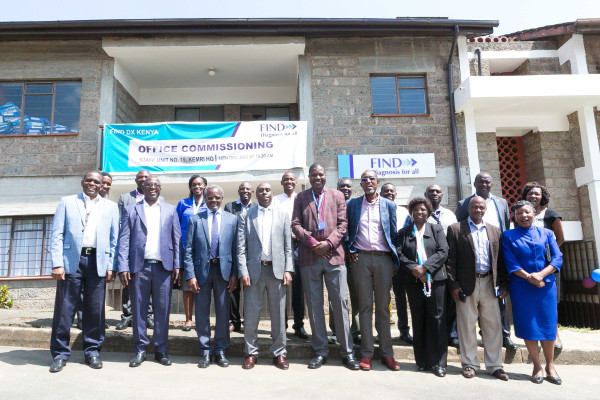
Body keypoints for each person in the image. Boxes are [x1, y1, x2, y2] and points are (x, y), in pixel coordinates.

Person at [49, 170, 119, 372]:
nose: (92, 184)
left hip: (97, 261)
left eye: (96, 181)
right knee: (65, 309)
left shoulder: (111, 207)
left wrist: (111, 265)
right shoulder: (67, 202)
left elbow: (114, 240)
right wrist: (57, 263)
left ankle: (92, 351)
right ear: (82, 183)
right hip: (72, 260)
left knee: (95, 310)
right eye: (88, 180)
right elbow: (57, 234)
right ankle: (60, 354)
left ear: (102, 185)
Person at [291, 163, 359, 370]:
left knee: (340, 303)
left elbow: (343, 224)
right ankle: (320, 351)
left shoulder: (337, 196)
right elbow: (295, 224)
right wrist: (314, 244)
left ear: (325, 176)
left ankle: (348, 352)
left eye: (321, 174)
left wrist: (328, 244)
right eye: (314, 175)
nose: (317, 177)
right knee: (314, 306)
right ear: (309, 176)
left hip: (334, 256)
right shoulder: (301, 197)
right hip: (309, 257)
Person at [117, 176, 180, 367]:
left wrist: (177, 265)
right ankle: (140, 349)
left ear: (160, 189)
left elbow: (177, 239)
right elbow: (124, 240)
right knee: (138, 310)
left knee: (162, 310)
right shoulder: (131, 209)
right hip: (139, 267)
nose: (152, 187)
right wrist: (123, 266)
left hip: (163, 268)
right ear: (142, 187)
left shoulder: (170, 210)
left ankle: (161, 350)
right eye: (149, 185)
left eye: (156, 185)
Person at [446, 196, 509, 381]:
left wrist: (503, 284)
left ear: (485, 209)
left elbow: (500, 260)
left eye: (481, 207)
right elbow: (450, 260)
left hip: (489, 282)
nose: (478, 210)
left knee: (493, 325)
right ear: (468, 208)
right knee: (466, 325)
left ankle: (495, 365)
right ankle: (470, 364)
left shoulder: (495, 231)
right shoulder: (456, 229)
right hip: (466, 283)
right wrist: (454, 284)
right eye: (475, 207)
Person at [502, 200, 563, 385]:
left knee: (548, 324)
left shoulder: (546, 233)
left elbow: (557, 257)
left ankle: (550, 365)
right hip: (522, 286)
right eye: (519, 213)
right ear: (514, 216)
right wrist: (530, 277)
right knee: (529, 325)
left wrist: (541, 275)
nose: (524, 216)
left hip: (545, 286)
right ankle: (537, 366)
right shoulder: (508, 236)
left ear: (534, 213)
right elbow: (510, 262)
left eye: (527, 212)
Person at [345, 170, 400, 371]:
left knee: (384, 308)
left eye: (371, 179)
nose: (368, 182)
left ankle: (387, 353)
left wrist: (394, 260)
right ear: (360, 184)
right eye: (364, 179)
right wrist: (349, 249)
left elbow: (393, 234)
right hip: (361, 259)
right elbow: (346, 230)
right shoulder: (353, 205)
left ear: (377, 182)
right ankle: (366, 353)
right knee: (365, 306)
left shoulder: (388, 205)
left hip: (383, 259)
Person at [456, 172, 517, 350]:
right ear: (474, 183)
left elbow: (505, 226)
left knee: (499, 297)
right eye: (480, 181)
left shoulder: (502, 202)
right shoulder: (464, 203)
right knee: (474, 304)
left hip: (497, 252)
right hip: (475, 254)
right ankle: (479, 335)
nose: (484, 184)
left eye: (487, 182)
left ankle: (505, 334)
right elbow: (461, 229)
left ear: (492, 184)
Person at [238, 183, 293, 370]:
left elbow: (288, 247)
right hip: (254, 271)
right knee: (251, 314)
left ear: (273, 193)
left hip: (277, 271)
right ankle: (251, 353)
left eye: (267, 190)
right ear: (256, 194)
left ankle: (279, 353)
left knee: (278, 314)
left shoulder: (282, 214)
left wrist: (288, 270)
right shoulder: (246, 215)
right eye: (261, 190)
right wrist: (243, 271)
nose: (264, 193)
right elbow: (241, 248)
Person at [184, 185, 239, 368]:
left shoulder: (232, 219)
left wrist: (234, 274)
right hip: (202, 272)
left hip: (224, 272)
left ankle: (221, 350)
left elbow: (236, 249)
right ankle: (205, 350)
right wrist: (190, 275)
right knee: (201, 313)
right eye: (210, 197)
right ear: (205, 199)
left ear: (222, 199)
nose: (213, 200)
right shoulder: (195, 219)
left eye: (217, 197)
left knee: (223, 312)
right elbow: (189, 250)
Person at [395, 196, 449, 377]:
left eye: (423, 209)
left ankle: (439, 362)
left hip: (436, 280)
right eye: (416, 209)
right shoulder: (403, 232)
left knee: (437, 319)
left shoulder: (436, 229)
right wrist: (415, 269)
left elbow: (443, 251)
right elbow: (400, 254)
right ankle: (422, 361)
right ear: (411, 212)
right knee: (418, 319)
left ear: (428, 212)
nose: (419, 212)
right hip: (413, 281)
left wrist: (425, 267)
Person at [521, 181, 565, 349]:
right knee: (533, 301)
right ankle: (537, 335)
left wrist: (548, 256)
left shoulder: (551, 215)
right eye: (530, 193)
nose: (533, 196)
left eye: (536, 194)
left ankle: (554, 334)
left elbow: (560, 238)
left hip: (548, 266)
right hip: (529, 266)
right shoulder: (523, 214)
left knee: (550, 301)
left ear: (542, 197)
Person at [116, 169, 161, 331]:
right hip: (132, 250)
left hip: (151, 250)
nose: (143, 179)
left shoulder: (160, 199)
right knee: (129, 285)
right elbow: (121, 224)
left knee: (149, 287)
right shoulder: (125, 198)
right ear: (136, 180)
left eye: (146, 177)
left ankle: (148, 316)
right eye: (140, 177)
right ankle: (127, 316)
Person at [76, 171, 114, 330]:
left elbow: (113, 236)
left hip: (99, 256)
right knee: (80, 291)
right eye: (103, 182)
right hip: (79, 254)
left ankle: (97, 321)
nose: (105, 186)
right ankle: (81, 319)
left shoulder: (110, 205)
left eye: (107, 184)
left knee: (97, 294)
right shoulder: (80, 201)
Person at [273, 171, 309, 340]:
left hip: (298, 246)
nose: (289, 181)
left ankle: (299, 325)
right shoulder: (275, 200)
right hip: (280, 247)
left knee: (298, 288)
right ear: (281, 182)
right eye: (286, 179)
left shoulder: (302, 198)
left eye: (292, 179)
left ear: (296, 182)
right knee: (280, 287)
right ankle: (282, 325)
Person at [424, 184, 459, 348]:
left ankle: (452, 334)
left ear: (442, 195)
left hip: (449, 263)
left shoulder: (450, 215)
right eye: (431, 191)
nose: (434, 193)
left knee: (451, 300)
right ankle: (434, 333)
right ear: (425, 194)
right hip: (429, 263)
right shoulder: (421, 214)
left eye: (438, 191)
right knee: (433, 301)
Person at [328, 177, 360, 345]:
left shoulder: (356, 206)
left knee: (357, 295)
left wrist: (352, 249)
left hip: (354, 257)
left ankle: (356, 331)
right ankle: (336, 331)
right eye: (342, 186)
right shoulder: (331, 206)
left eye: (348, 186)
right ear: (337, 188)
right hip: (336, 255)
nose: (345, 189)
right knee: (336, 295)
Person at [381, 183, 412, 344]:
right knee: (381, 297)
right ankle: (382, 331)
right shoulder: (375, 209)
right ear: (381, 193)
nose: (389, 193)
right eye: (386, 191)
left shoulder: (403, 212)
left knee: (400, 297)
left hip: (399, 262)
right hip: (381, 259)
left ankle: (404, 331)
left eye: (392, 191)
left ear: (396, 194)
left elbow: (406, 237)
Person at [175, 175, 207, 332]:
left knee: (203, 284)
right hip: (185, 249)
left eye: (200, 184)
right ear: (190, 187)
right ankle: (188, 319)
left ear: (205, 186)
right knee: (187, 285)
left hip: (203, 250)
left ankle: (202, 319)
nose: (197, 187)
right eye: (194, 184)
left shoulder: (209, 203)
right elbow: (175, 225)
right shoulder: (183, 203)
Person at [224, 181, 254, 333]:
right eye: (242, 189)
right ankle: (234, 321)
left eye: (248, 189)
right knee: (233, 287)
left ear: (252, 192)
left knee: (250, 288)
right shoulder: (229, 207)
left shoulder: (257, 208)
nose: (245, 191)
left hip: (252, 253)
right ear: (238, 191)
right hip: (233, 252)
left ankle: (248, 320)